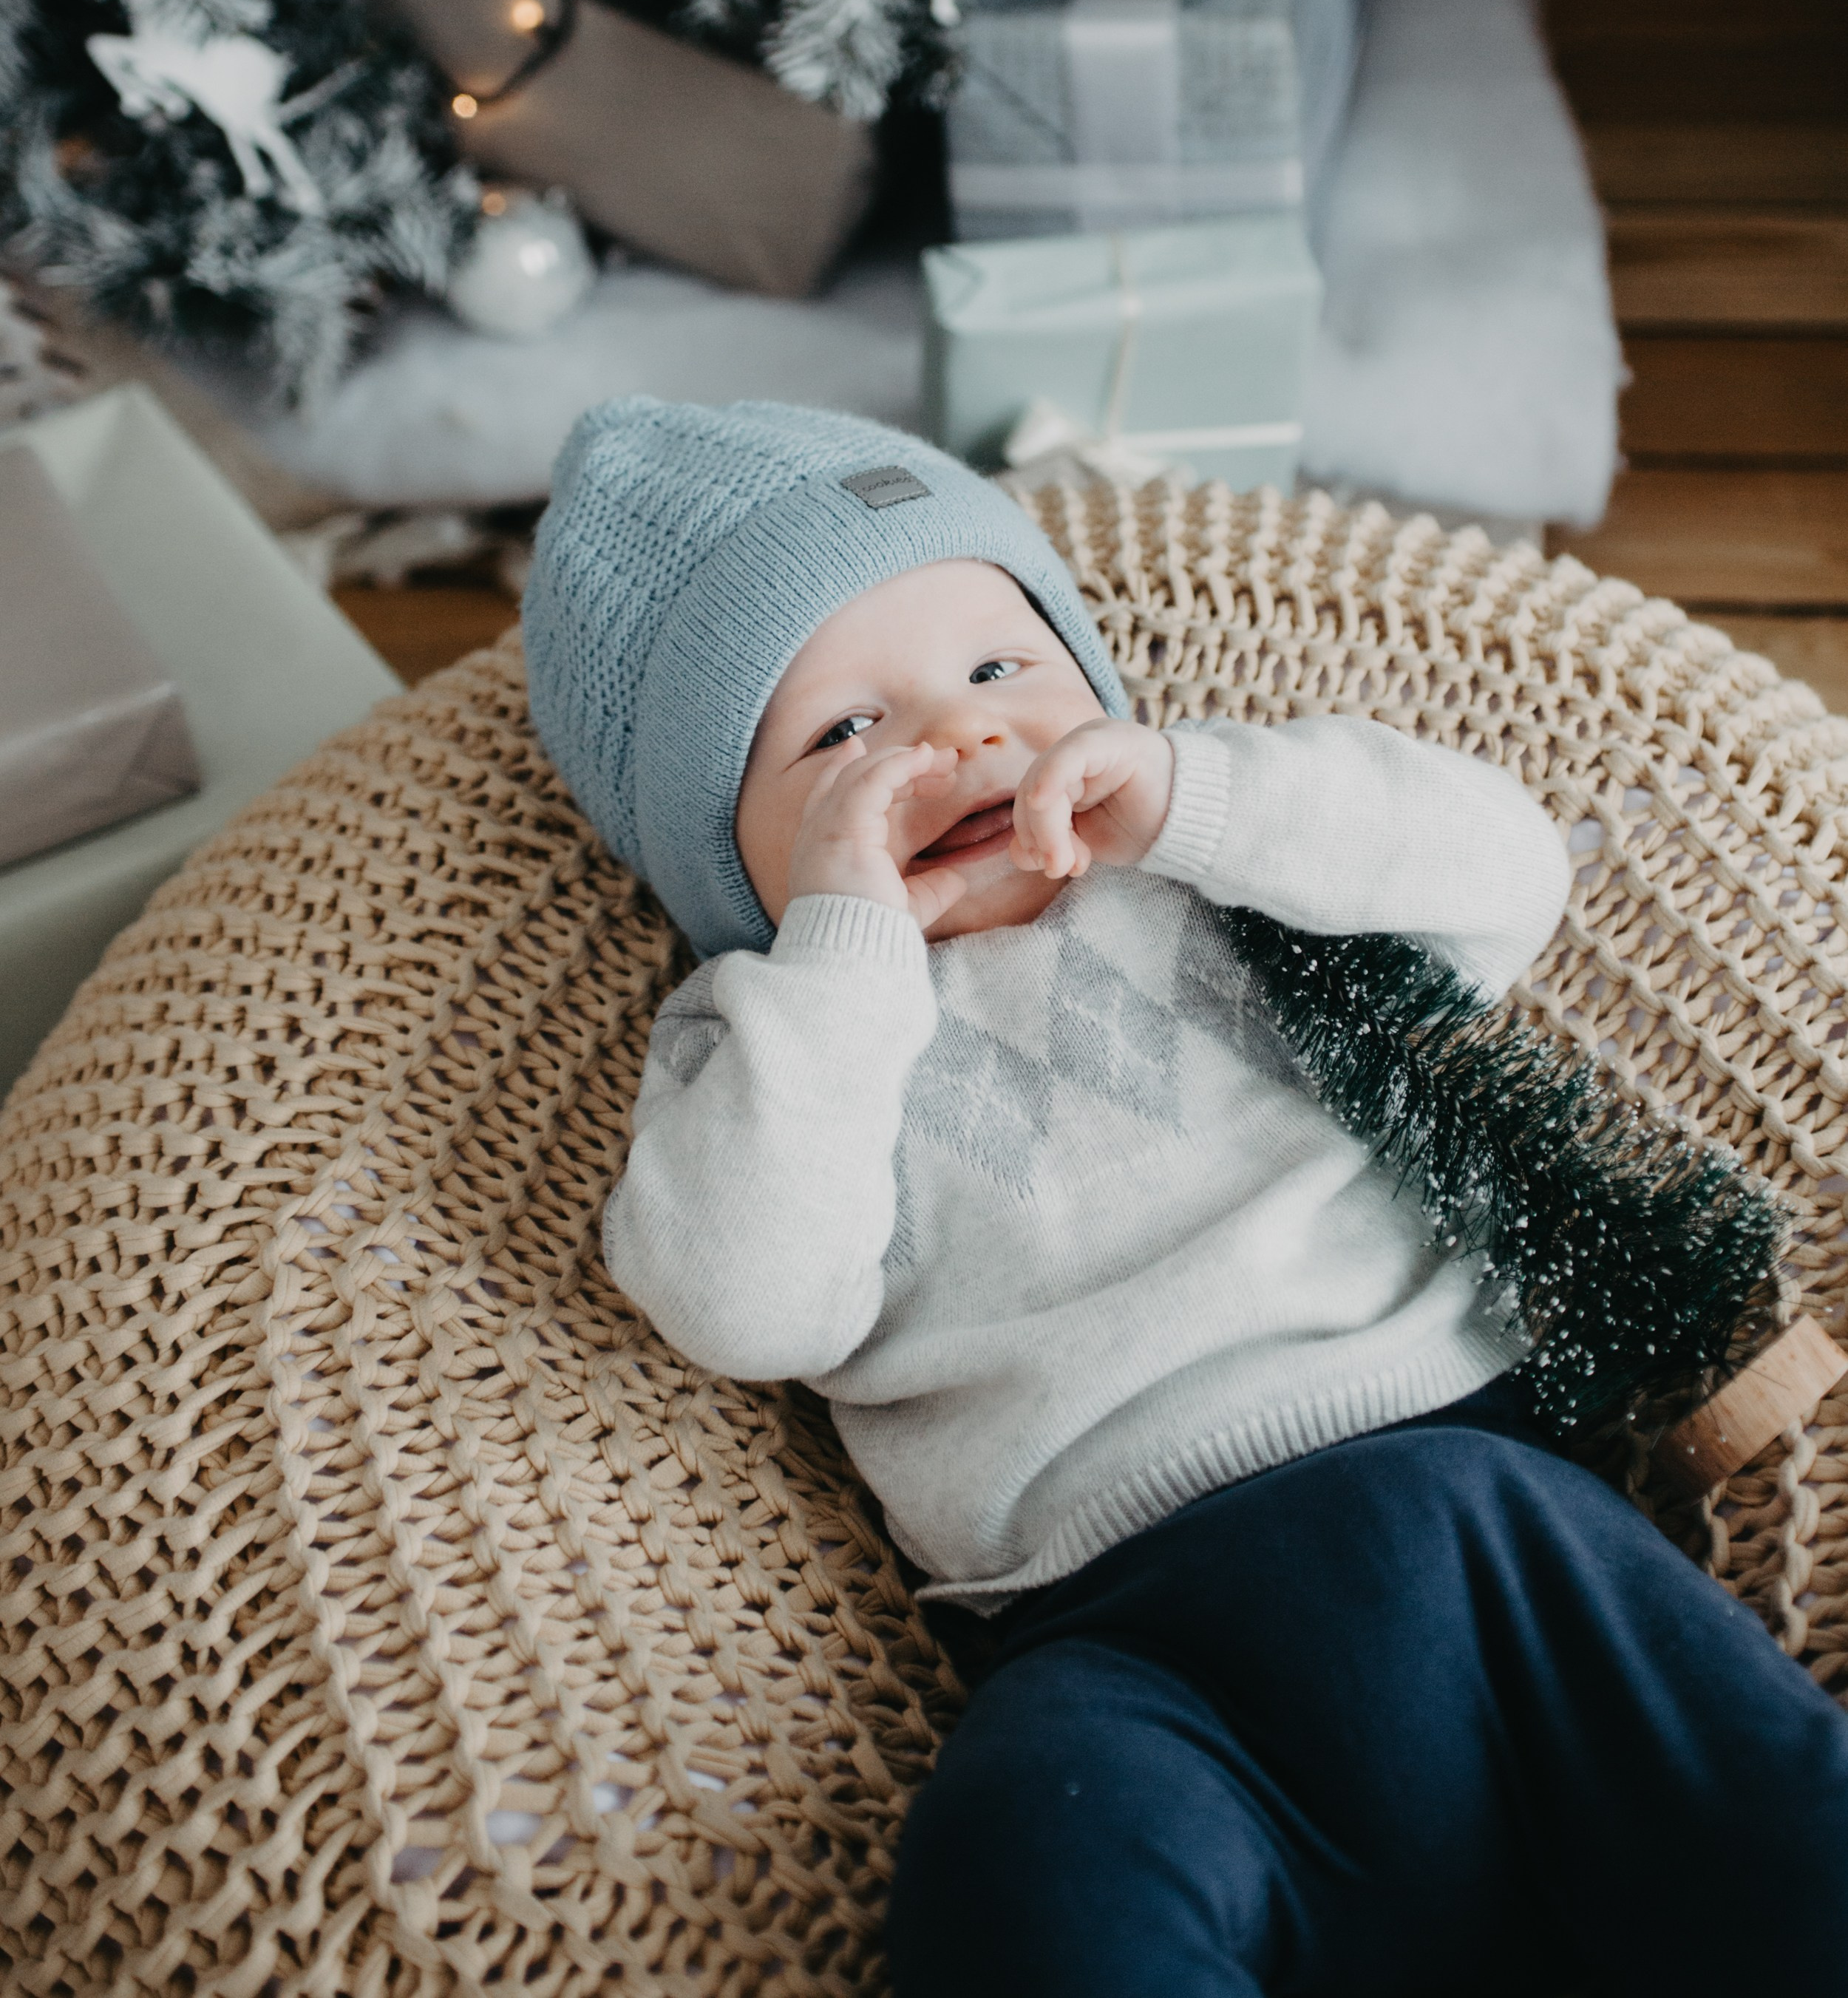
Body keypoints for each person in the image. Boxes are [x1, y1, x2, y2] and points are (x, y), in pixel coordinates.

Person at [523, 394, 1848, 1998]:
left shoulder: (1214, 882)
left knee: (1765, 1816)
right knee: (1014, 1851)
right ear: (716, 857)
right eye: (836, 738)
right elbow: (746, 1301)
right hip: (1115, 1641)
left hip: (1475, 1513)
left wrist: (1197, 797)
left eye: (999, 668)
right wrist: (844, 952)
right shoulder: (774, 1038)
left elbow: (1507, 874)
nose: (953, 742)